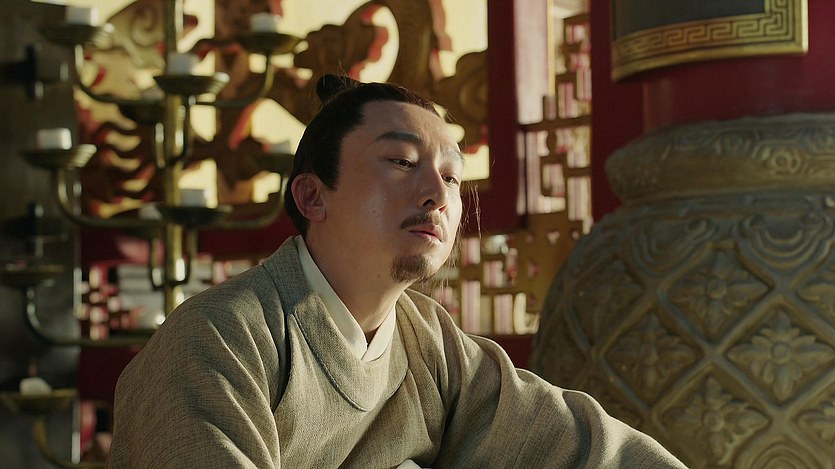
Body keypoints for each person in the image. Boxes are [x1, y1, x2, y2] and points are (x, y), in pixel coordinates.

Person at [106, 75, 687, 468]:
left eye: (452, 175)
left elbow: (582, 448)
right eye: (402, 161)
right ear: (312, 196)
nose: (438, 193)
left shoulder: (429, 343)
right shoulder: (219, 341)